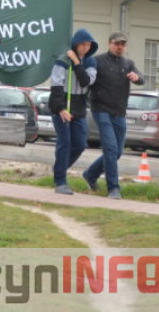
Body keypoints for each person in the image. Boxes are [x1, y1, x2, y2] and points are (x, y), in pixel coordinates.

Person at [83, 31, 143, 199]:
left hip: (119, 112)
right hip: (101, 110)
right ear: (110, 43)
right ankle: (113, 188)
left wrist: (137, 77)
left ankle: (90, 174)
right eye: (116, 44)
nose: (119, 47)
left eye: (122, 44)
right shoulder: (98, 61)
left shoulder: (128, 63)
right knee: (110, 149)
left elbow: (141, 78)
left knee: (117, 152)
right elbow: (87, 81)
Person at [49, 29, 98, 194]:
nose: (85, 47)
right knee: (65, 142)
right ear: (75, 44)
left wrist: (77, 63)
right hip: (61, 106)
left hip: (79, 107)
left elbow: (86, 81)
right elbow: (56, 86)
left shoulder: (90, 62)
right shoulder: (62, 60)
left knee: (80, 143)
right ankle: (60, 181)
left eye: (88, 45)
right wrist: (61, 109)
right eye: (82, 44)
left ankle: (59, 168)